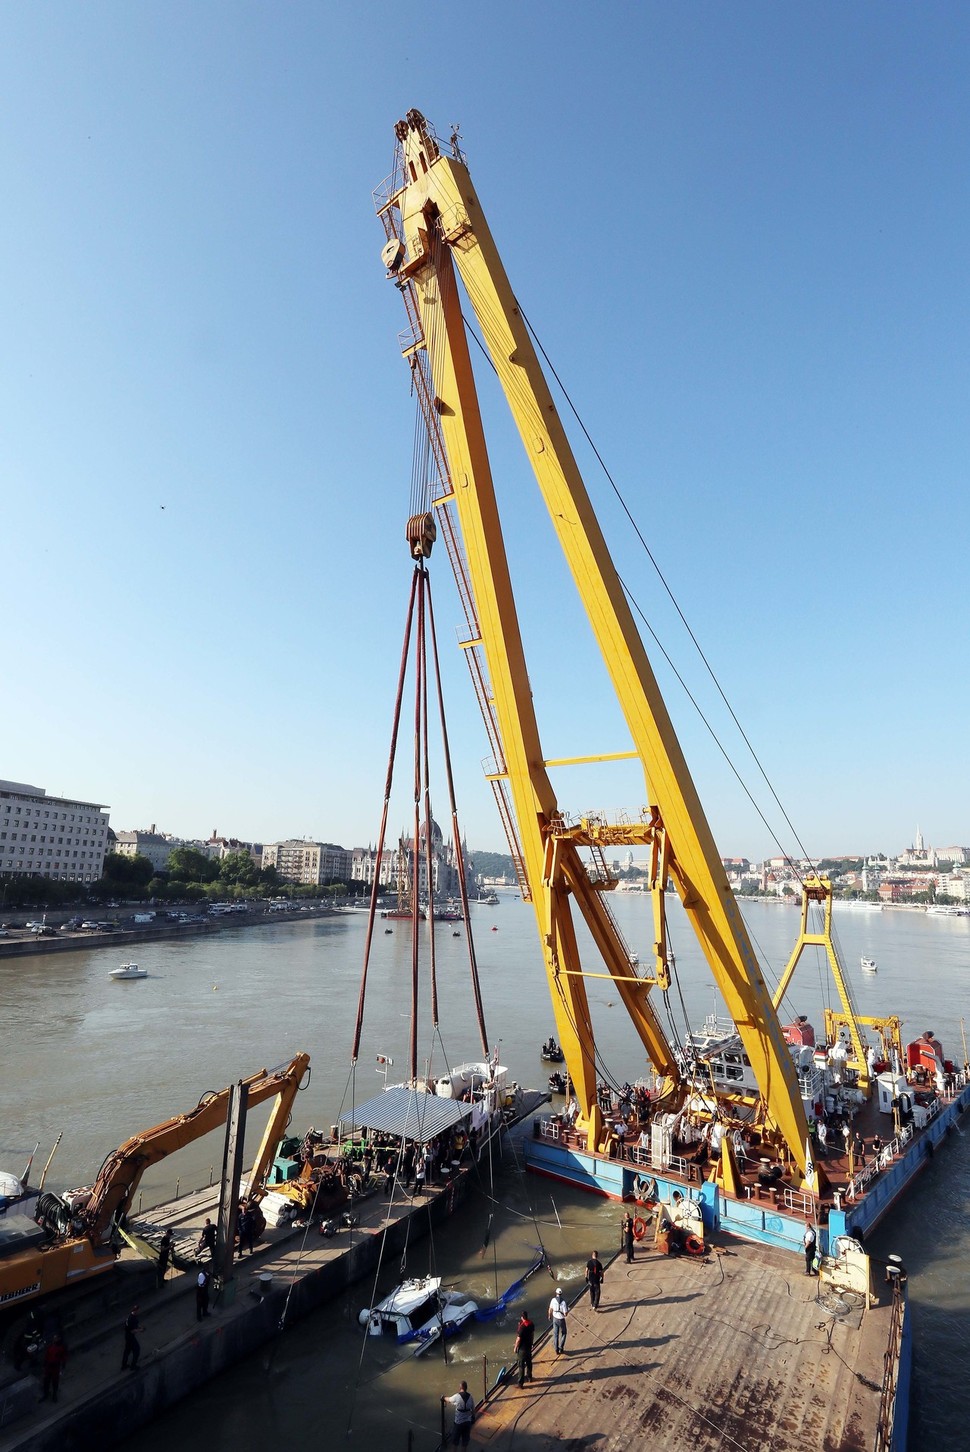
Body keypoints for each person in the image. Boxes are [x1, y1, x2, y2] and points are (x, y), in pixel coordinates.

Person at [441, 1379, 476, 1447]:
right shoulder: (470, 1397)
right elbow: (473, 1410)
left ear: (460, 1388)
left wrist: (443, 1397)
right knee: (464, 1444)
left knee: (455, 1443)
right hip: (467, 1423)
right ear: (466, 1388)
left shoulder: (457, 1396)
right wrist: (473, 1418)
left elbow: (449, 1399)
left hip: (458, 1423)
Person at [40, 1333, 68, 1402]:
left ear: (59, 1339)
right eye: (54, 1338)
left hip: (55, 1367)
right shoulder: (51, 1346)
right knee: (46, 1382)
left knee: (55, 1382)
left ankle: (54, 1395)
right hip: (49, 1367)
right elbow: (47, 1356)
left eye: (56, 1338)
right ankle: (46, 1395)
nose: (54, 1339)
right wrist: (44, 1365)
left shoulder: (61, 1347)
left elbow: (64, 1357)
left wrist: (63, 1366)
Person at [514, 1310, 535, 1386]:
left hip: (522, 1349)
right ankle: (529, 1377)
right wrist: (532, 1343)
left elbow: (518, 1339)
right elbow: (532, 1334)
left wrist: (515, 1347)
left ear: (522, 1317)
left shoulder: (522, 1327)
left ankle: (520, 1383)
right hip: (528, 1347)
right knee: (529, 1363)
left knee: (521, 1366)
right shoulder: (531, 1324)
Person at [547, 1286, 568, 1354]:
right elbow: (565, 1314)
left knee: (556, 1334)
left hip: (555, 1319)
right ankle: (561, 1347)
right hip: (561, 1319)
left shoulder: (553, 1300)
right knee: (564, 1333)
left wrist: (549, 1316)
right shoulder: (563, 1302)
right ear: (561, 1294)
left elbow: (550, 1309)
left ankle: (556, 1349)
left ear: (556, 1293)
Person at [121, 1306, 142, 1370]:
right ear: (135, 1311)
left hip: (127, 1336)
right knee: (137, 1349)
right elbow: (132, 1331)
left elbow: (134, 1326)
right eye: (138, 1310)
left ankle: (124, 1365)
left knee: (127, 1350)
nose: (139, 1311)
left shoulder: (130, 1316)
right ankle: (133, 1365)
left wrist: (139, 1327)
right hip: (130, 1337)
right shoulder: (132, 1319)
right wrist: (140, 1330)